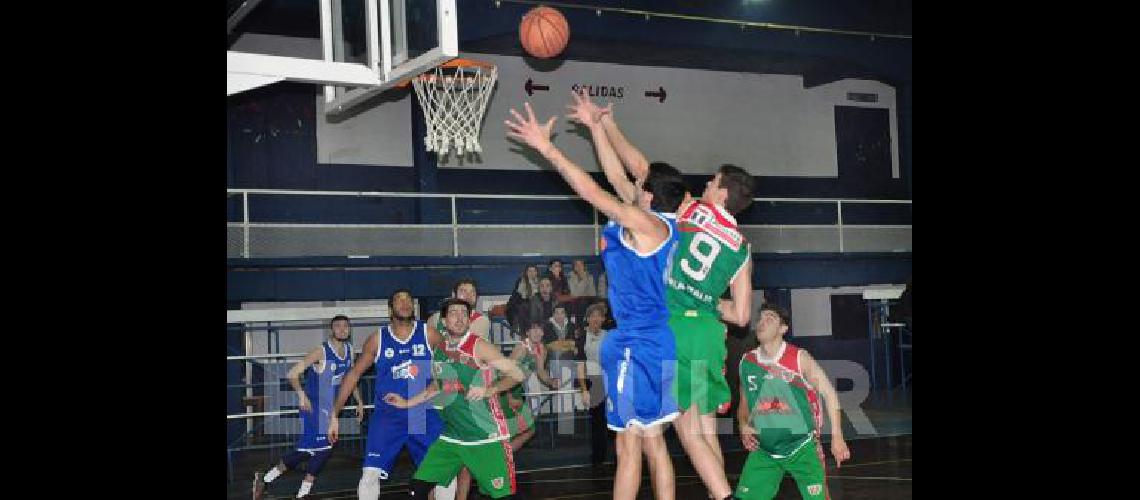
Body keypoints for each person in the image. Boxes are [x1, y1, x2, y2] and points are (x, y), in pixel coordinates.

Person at [568, 89, 758, 499]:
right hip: (709, 332)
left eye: (713, 182)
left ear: (721, 194)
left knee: (677, 436)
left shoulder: (687, 213)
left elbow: (635, 171)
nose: (706, 184)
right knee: (702, 433)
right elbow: (743, 316)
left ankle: (726, 496)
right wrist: (706, 301)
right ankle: (719, 493)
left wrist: (606, 124)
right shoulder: (742, 247)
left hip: (668, 330)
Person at [506, 100, 687, 500]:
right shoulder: (658, 221)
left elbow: (590, 189)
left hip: (636, 344)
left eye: (642, 181)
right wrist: (596, 128)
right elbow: (613, 175)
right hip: (655, 340)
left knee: (627, 445)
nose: (635, 179)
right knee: (653, 441)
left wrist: (546, 147)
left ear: (650, 195)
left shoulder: (643, 221)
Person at [323, 291, 445, 500]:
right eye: (399, 300)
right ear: (390, 310)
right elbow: (353, 375)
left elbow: (449, 371)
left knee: (443, 472)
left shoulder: (430, 334)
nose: (405, 303)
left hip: (422, 413)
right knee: (370, 473)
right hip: (388, 415)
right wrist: (334, 414)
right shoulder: (377, 339)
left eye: (409, 300)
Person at [407, 298, 527, 499]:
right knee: (417, 488)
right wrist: (407, 402)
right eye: (454, 313)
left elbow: (517, 373)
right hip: (452, 436)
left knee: (504, 495)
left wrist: (490, 390)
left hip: (485, 436)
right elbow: (438, 385)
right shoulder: (440, 350)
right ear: (444, 320)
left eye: (464, 313)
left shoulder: (479, 346)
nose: (460, 317)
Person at [735, 304, 851, 500]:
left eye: (770, 318)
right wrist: (743, 424)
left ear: (783, 328)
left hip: (801, 447)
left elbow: (830, 395)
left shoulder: (799, 358)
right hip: (765, 451)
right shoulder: (747, 362)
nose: (762, 322)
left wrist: (837, 437)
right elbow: (744, 405)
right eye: (760, 318)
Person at [253, 315, 364, 499]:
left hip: (330, 410)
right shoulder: (321, 351)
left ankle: (265, 478)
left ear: (350, 329)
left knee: (308, 451)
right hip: (313, 407)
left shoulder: (350, 350)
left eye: (346, 326)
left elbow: (350, 380)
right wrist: (302, 395)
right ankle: (302, 493)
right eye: (338, 326)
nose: (343, 329)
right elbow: (292, 374)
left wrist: (359, 401)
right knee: (324, 449)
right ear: (331, 330)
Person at [575, 302, 612, 467]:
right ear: (588, 318)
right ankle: (598, 459)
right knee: (597, 423)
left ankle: (620, 456)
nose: (596, 318)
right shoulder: (581, 338)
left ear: (603, 319)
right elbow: (580, 365)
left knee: (614, 421)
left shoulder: (610, 336)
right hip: (593, 381)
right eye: (593, 315)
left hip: (610, 381)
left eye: (599, 316)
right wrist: (584, 390)